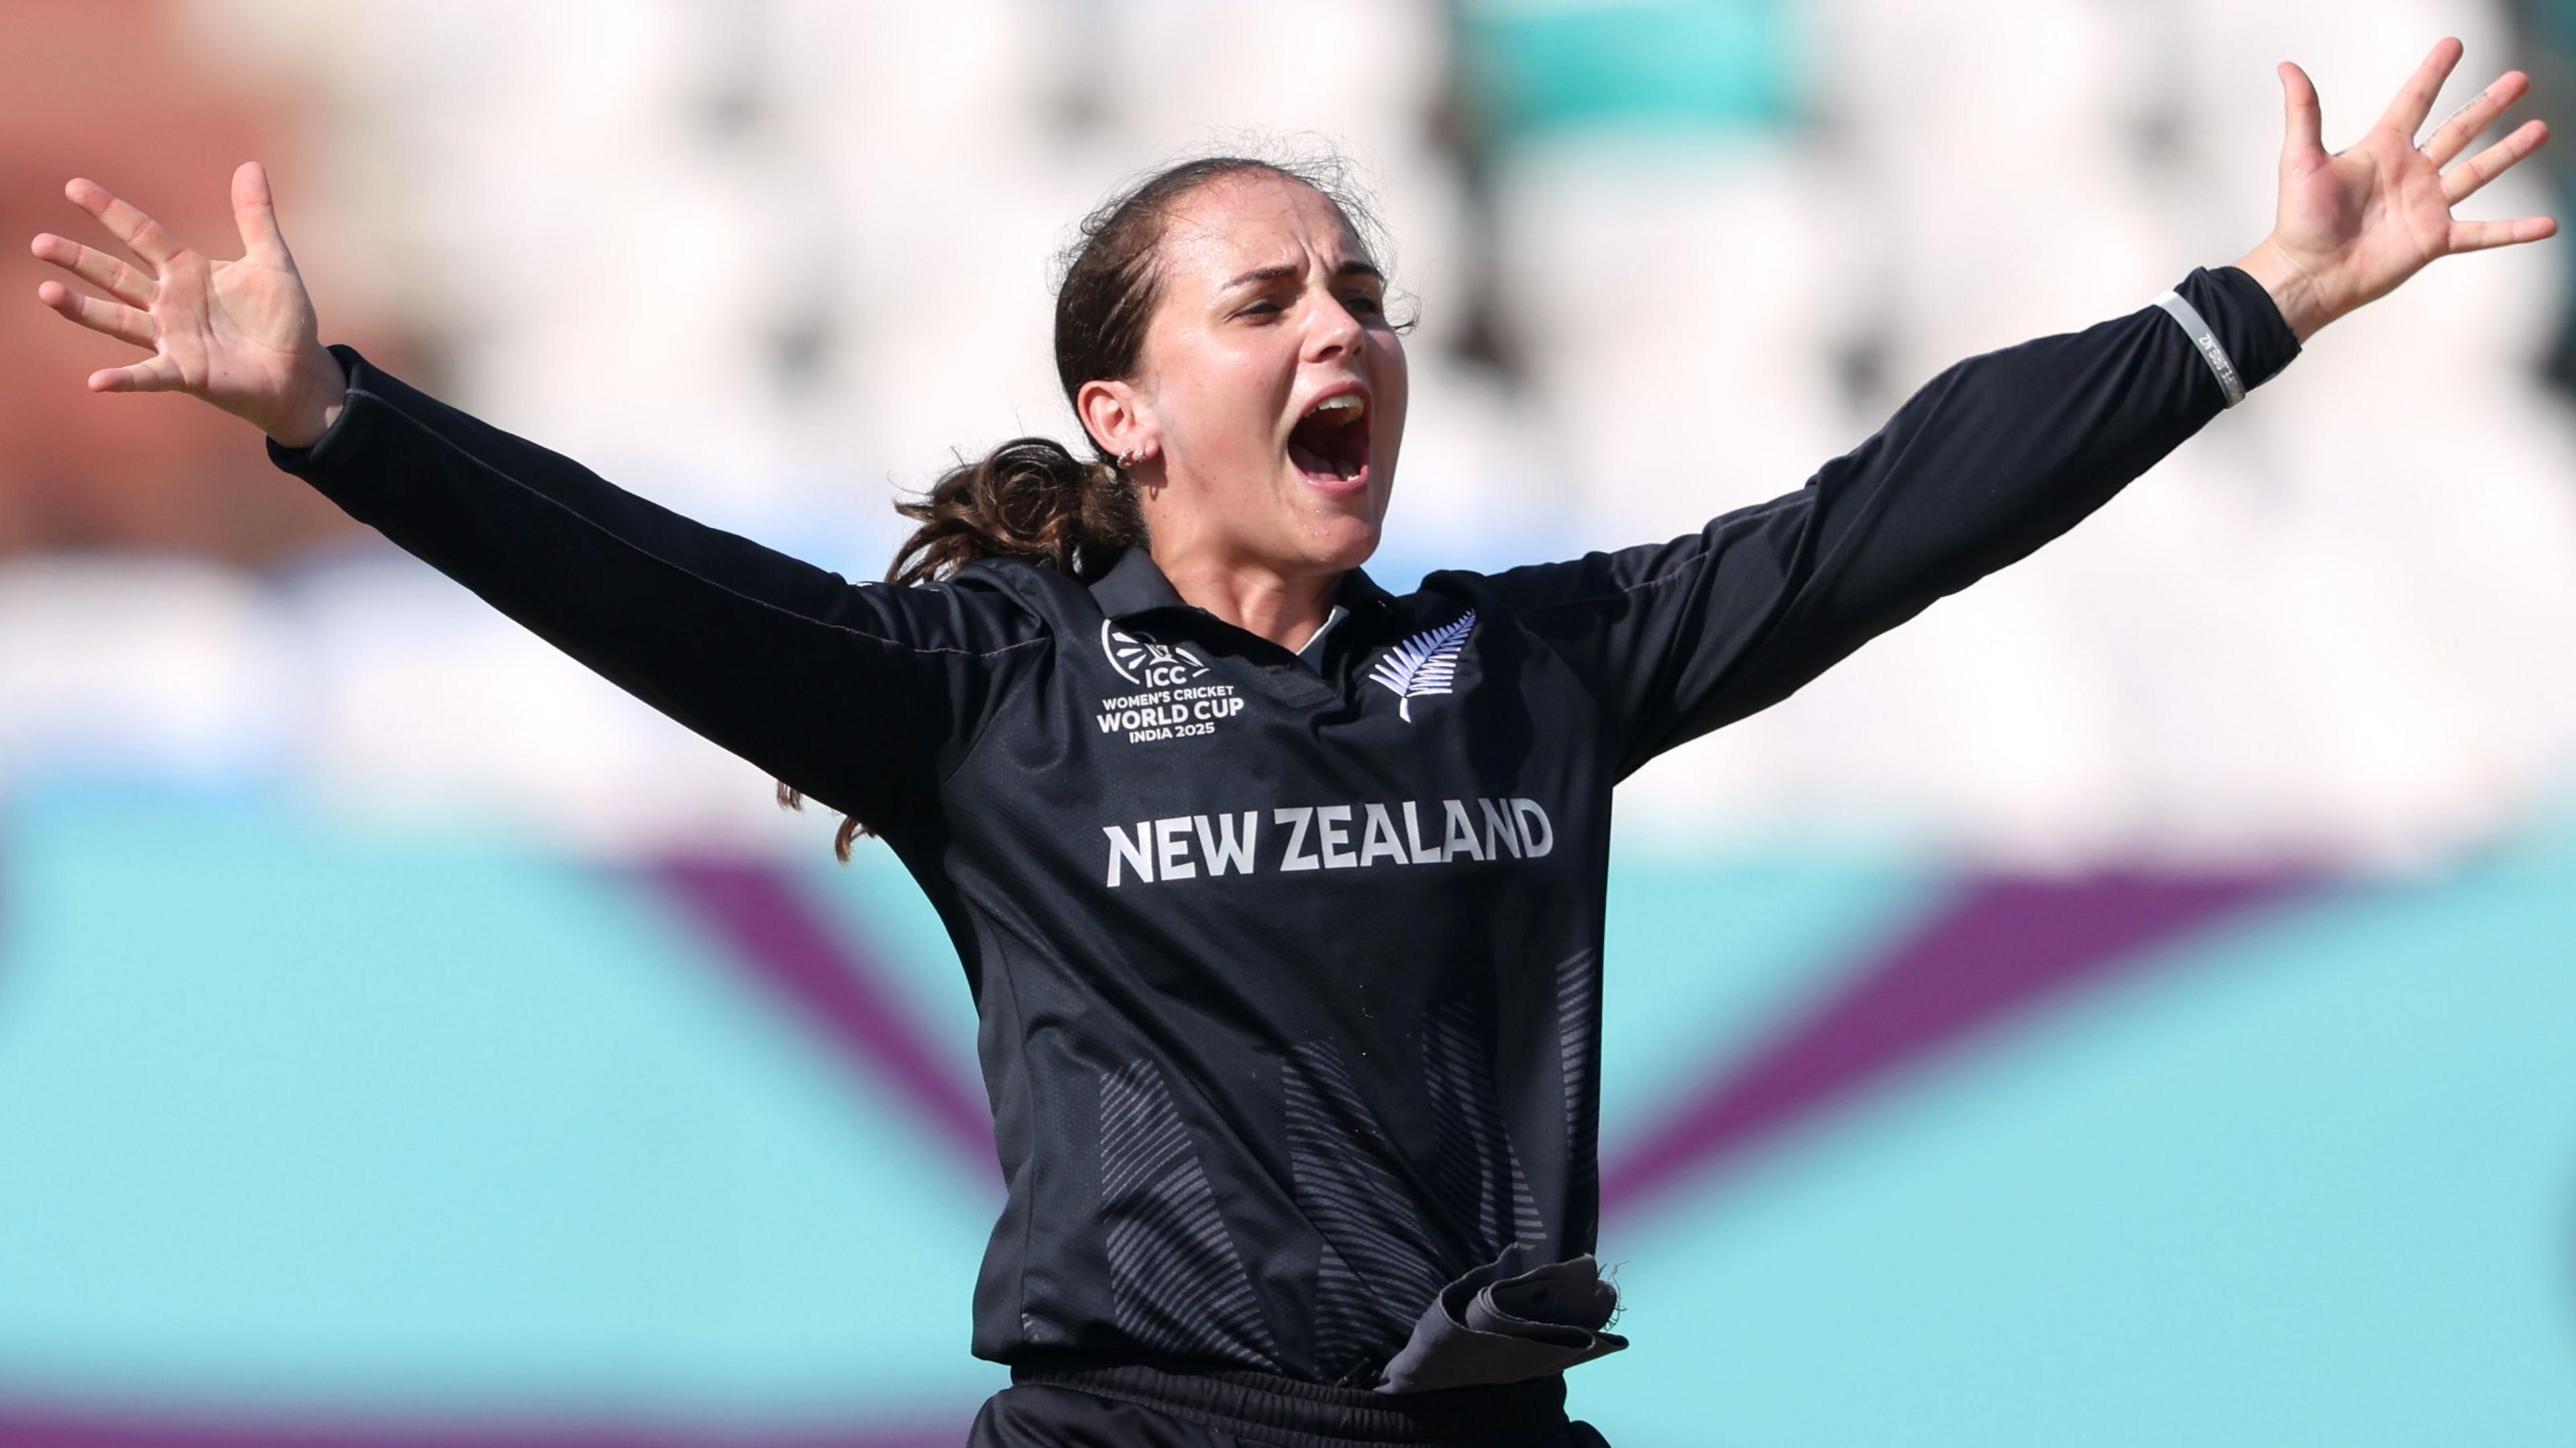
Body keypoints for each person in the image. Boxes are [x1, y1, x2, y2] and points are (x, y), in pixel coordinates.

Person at [28, 36, 2554, 1448]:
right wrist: (335, 415)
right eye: (1267, 299)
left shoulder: (1535, 672)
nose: (1342, 325)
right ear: (1125, 409)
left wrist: (2252, 309)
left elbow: (1894, 511)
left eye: (1364, 287)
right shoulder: (992, 701)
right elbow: (646, 587)